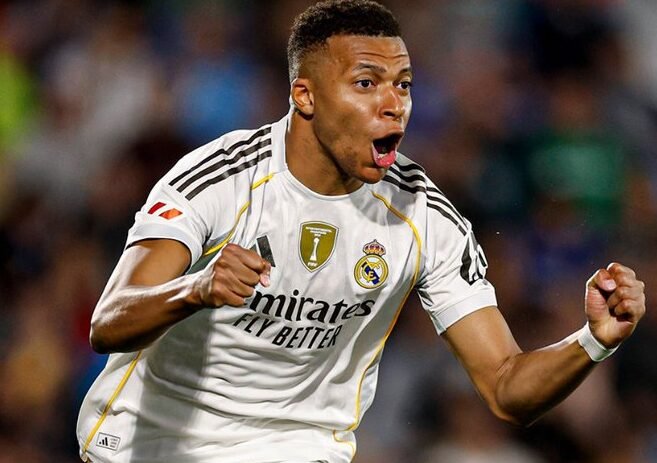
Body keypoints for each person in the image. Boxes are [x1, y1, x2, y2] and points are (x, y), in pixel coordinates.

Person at [76, 1, 646, 462]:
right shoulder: (222, 178)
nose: (394, 105)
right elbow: (109, 322)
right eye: (367, 83)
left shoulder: (425, 217)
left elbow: (505, 388)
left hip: (298, 449)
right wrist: (195, 288)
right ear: (305, 95)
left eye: (404, 85)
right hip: (150, 444)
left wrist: (593, 339)